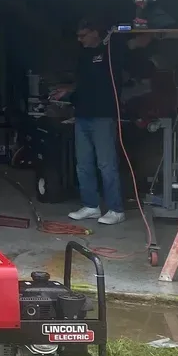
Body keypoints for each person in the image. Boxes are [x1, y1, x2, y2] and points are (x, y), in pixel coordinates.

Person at [51, 18, 126, 225]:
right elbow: (83, 83)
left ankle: (115, 209)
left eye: (83, 35)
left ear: (95, 32)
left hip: (103, 115)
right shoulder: (84, 56)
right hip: (83, 114)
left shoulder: (111, 51)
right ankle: (91, 205)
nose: (79, 39)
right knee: (83, 164)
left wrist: (112, 36)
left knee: (106, 164)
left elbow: (134, 43)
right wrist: (68, 90)